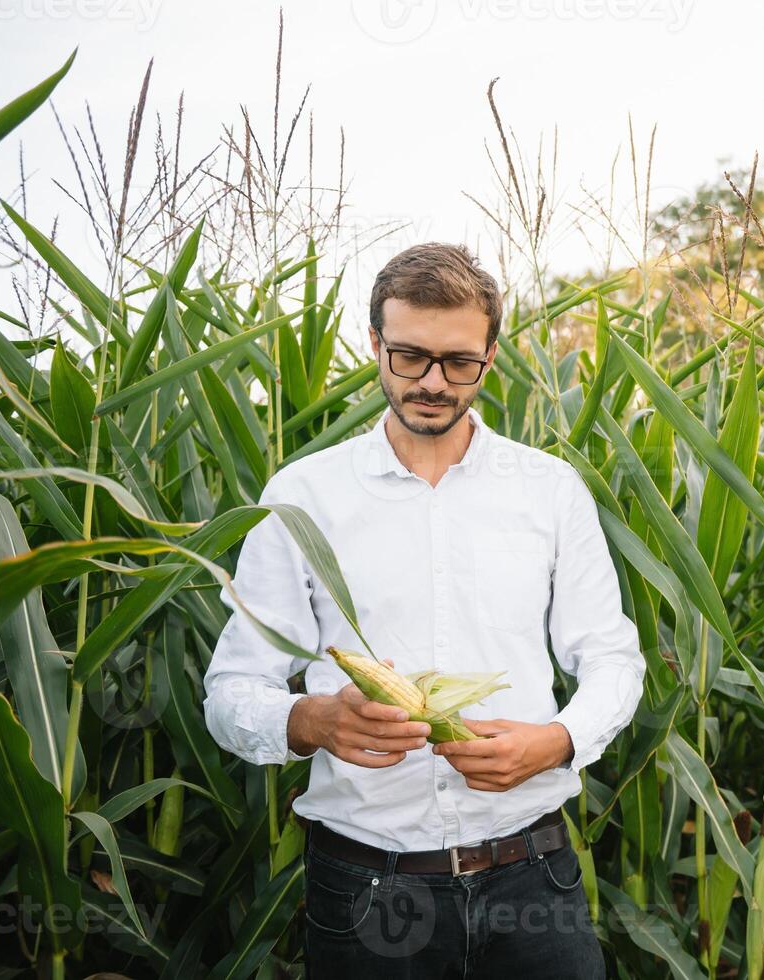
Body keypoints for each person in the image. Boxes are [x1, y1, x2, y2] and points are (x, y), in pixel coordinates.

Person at [203, 242, 643, 978]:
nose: (434, 383)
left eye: (458, 362)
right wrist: (311, 721)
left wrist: (558, 740)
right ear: (374, 343)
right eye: (409, 357)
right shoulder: (303, 497)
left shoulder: (549, 489)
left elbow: (612, 660)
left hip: (532, 873)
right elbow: (229, 693)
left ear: (490, 357)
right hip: (370, 891)